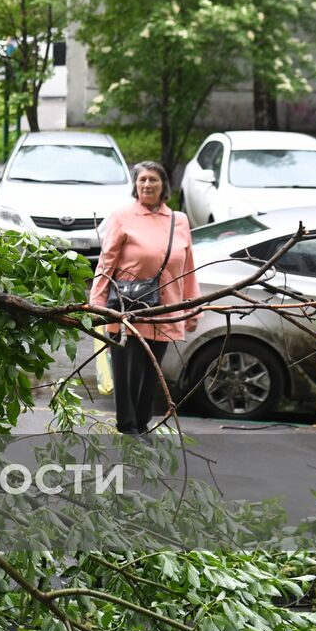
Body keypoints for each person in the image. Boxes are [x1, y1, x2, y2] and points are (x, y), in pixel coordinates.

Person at [90, 161, 199, 434]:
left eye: (153, 180)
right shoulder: (122, 217)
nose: (147, 185)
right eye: (142, 180)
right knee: (128, 374)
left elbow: (188, 267)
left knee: (152, 373)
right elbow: (106, 262)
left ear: (164, 186)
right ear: (136, 186)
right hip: (128, 309)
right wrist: (97, 304)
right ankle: (127, 428)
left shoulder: (179, 220)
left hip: (166, 309)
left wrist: (193, 307)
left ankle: (142, 425)